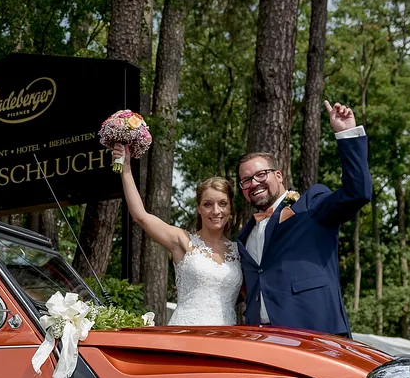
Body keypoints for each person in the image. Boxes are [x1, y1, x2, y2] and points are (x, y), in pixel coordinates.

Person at [236, 101, 371, 337]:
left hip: (314, 333)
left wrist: (346, 134)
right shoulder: (243, 236)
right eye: (246, 181)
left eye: (261, 175)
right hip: (260, 340)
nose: (254, 183)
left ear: (279, 175)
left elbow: (357, 193)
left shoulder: (310, 204)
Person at [114, 144, 243, 326]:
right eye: (208, 204)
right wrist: (126, 168)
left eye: (222, 203)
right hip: (186, 331)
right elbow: (140, 216)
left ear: (230, 208)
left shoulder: (239, 251)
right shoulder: (183, 240)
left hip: (226, 335)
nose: (216, 211)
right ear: (199, 208)